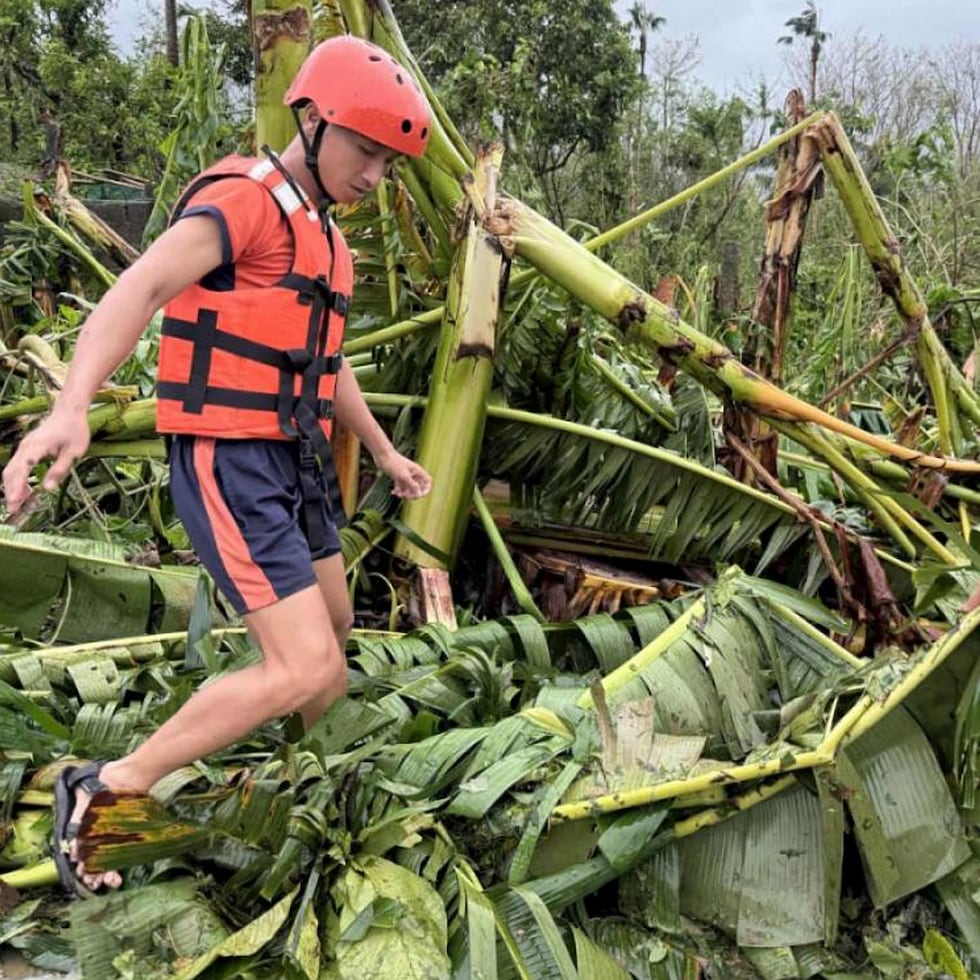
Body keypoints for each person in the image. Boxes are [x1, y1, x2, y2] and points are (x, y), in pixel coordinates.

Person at [1, 36, 433, 895]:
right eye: (365, 151)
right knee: (306, 665)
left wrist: (382, 450)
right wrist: (72, 403)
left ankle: (291, 785)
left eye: (389, 162)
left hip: (295, 458)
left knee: (335, 635)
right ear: (312, 121)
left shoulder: (328, 242)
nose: (375, 176)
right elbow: (142, 289)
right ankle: (109, 786)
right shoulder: (246, 202)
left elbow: (325, 357)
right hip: (228, 456)